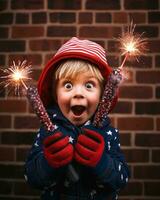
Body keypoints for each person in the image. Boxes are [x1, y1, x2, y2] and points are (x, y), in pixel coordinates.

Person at [24, 37, 130, 200]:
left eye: (89, 85)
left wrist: (102, 162)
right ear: (55, 94)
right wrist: (48, 163)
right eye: (68, 85)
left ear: (102, 94)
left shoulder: (108, 133)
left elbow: (122, 179)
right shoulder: (47, 133)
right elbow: (31, 178)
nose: (78, 93)